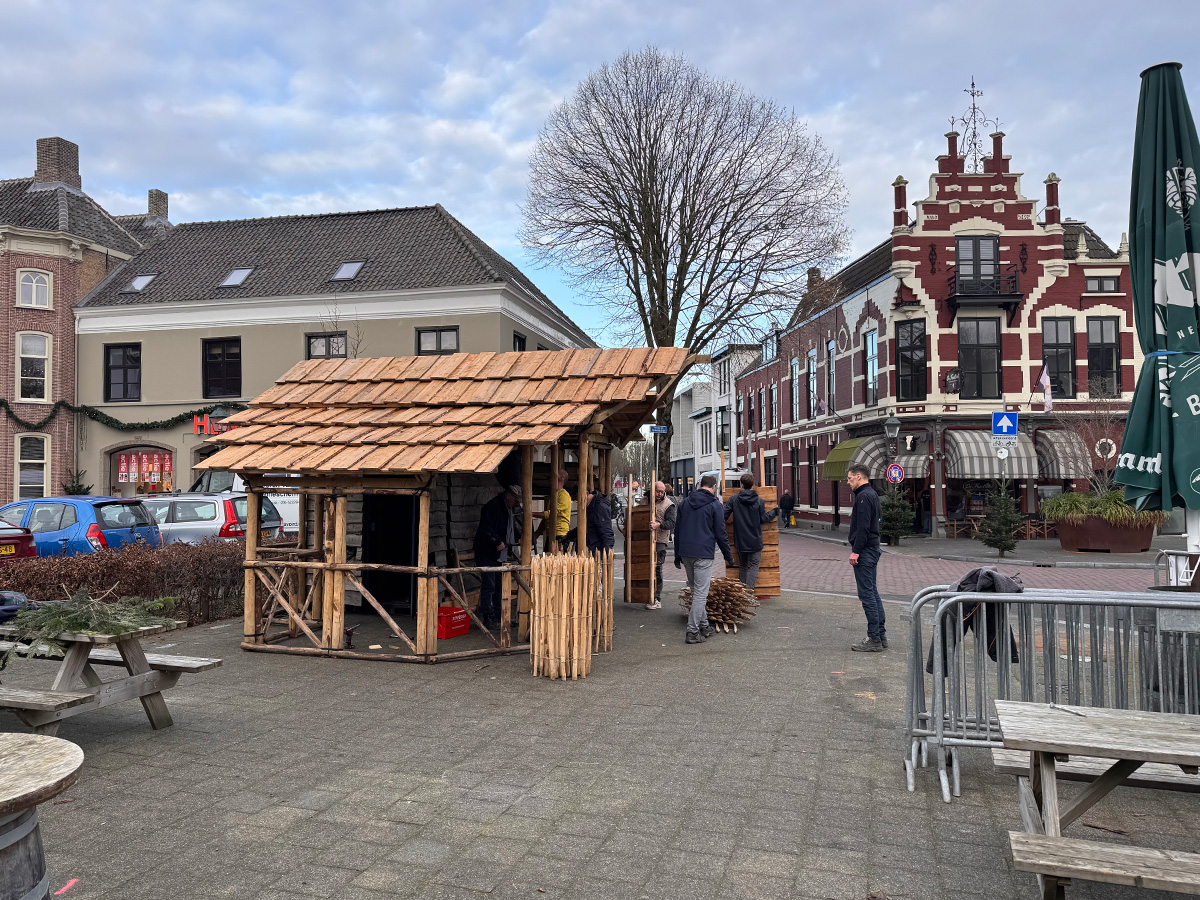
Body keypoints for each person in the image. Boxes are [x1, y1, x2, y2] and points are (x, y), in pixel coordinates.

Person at [674, 474, 734, 644]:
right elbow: (721, 533)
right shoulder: (715, 505)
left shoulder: (685, 503)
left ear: (700, 485)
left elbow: (677, 530)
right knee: (701, 593)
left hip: (686, 552)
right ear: (714, 487)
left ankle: (704, 625)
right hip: (703, 553)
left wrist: (678, 554)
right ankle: (692, 631)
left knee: (696, 591)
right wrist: (728, 556)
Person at [846, 464, 885, 651]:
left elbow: (863, 527)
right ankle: (881, 635)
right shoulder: (872, 494)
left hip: (865, 551)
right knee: (873, 593)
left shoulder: (863, 497)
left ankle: (874, 638)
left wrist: (856, 550)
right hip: (873, 548)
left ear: (859, 477)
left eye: (850, 478)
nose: (848, 482)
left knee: (867, 595)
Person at [473, 485, 519, 630]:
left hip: (499, 552)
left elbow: (510, 527)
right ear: (509, 495)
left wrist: (518, 536)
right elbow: (485, 528)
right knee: (489, 585)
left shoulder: (508, 508)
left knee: (499, 585)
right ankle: (488, 616)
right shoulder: (493, 507)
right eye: (515, 499)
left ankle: (498, 614)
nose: (516, 503)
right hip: (487, 551)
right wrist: (497, 541)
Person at [723, 473, 779, 590]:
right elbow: (762, 519)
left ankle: (742, 592)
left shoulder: (734, 499)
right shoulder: (759, 501)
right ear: (752, 485)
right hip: (755, 539)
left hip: (740, 540)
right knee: (754, 565)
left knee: (743, 565)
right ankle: (749, 590)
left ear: (741, 484)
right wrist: (774, 512)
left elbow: (724, 515)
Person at [648, 480, 677, 609]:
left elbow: (672, 523)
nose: (659, 494)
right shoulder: (646, 500)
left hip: (660, 540)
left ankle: (657, 598)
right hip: (645, 539)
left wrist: (659, 525)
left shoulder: (669, 505)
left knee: (657, 568)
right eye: (657, 491)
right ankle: (646, 595)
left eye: (662, 492)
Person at [533, 468, 572, 552]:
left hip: (560, 535)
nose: (551, 477)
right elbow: (547, 518)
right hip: (551, 535)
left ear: (562, 478)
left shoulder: (564, 495)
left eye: (555, 475)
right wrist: (537, 534)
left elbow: (553, 513)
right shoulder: (554, 496)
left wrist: (532, 514)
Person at [585, 484, 615, 552]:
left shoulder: (599, 507)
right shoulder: (591, 506)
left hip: (597, 550)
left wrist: (605, 554)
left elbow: (607, 533)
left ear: (586, 493)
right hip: (593, 548)